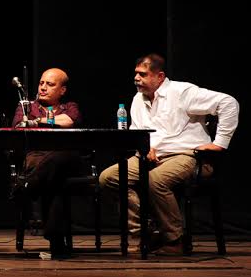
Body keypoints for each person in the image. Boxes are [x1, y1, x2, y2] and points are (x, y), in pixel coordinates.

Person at [99, 54, 239, 254]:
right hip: (151, 157)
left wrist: (220, 143)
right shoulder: (137, 99)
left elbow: (228, 103)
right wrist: (146, 148)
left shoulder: (182, 92)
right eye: (136, 74)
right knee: (110, 178)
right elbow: (138, 130)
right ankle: (145, 232)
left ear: (160, 76)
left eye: (143, 74)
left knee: (155, 180)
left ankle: (174, 239)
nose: (136, 78)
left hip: (188, 156)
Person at [10, 68, 82, 258]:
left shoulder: (70, 106)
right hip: (37, 157)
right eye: (42, 83)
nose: (43, 88)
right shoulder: (26, 106)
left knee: (58, 157)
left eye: (50, 84)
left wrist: (36, 122)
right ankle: (56, 241)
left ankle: (28, 185)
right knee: (55, 182)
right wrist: (42, 122)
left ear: (63, 90)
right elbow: (18, 127)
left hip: (66, 156)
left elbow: (69, 121)